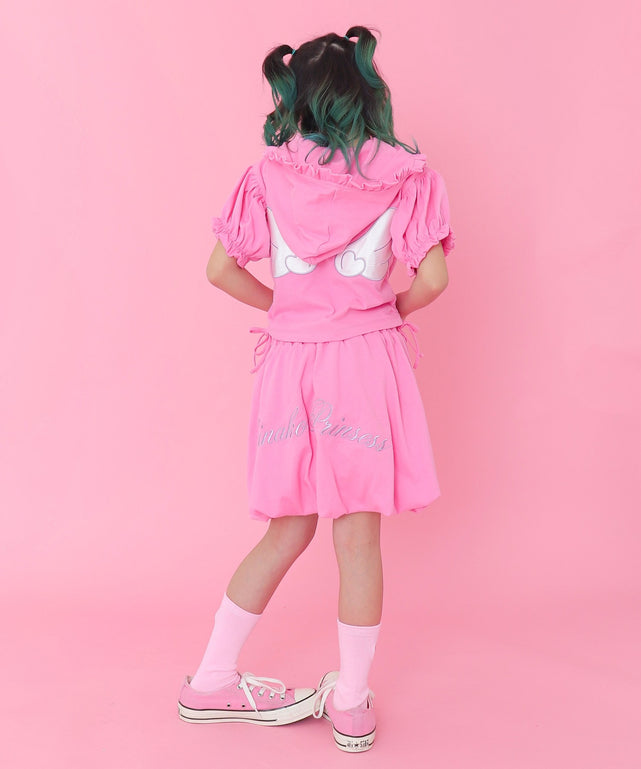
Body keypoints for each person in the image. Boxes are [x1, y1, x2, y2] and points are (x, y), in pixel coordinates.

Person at [177, 25, 455, 753]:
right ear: (367, 93)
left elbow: (218, 269)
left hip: (290, 365)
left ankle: (211, 678)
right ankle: (352, 703)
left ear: (294, 97)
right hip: (364, 363)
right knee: (358, 535)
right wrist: (390, 309)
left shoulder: (268, 175)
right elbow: (432, 278)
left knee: (286, 527)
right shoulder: (405, 175)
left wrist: (285, 307)